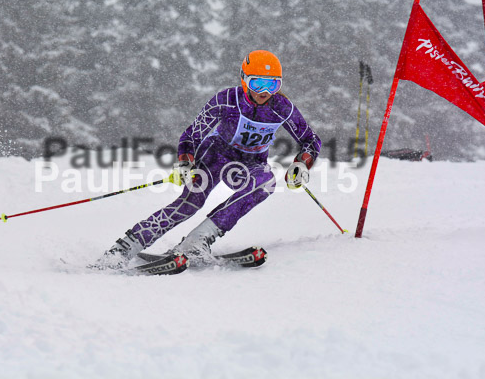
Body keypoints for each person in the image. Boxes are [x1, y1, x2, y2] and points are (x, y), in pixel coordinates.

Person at [95, 50, 321, 268]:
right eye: (257, 83)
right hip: (215, 156)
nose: (265, 91)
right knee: (189, 204)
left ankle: (197, 241)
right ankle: (123, 249)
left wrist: (302, 163)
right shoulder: (226, 100)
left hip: (250, 164)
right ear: (244, 80)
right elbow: (192, 135)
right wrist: (185, 160)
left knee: (265, 183)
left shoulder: (282, 108)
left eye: (272, 85)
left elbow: (311, 140)